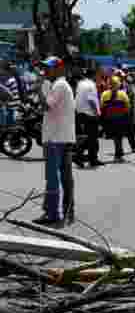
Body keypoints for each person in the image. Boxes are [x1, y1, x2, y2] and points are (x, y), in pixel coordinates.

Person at [35, 57, 76, 226]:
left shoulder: (58, 85)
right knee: (65, 176)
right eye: (44, 68)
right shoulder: (61, 85)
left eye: (49, 68)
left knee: (52, 177)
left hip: (55, 137)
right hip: (62, 136)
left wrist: (38, 88)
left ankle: (53, 213)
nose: (45, 71)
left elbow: (47, 106)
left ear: (59, 69)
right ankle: (66, 209)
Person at [74, 67, 102, 168]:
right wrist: (97, 113)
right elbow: (91, 100)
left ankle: (91, 158)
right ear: (93, 75)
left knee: (87, 138)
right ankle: (83, 157)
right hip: (90, 114)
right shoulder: (91, 85)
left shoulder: (80, 83)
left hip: (80, 113)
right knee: (92, 138)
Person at [100, 76, 132, 162]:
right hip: (120, 118)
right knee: (119, 137)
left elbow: (102, 107)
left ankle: (119, 153)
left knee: (116, 137)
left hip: (109, 119)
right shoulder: (122, 94)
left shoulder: (104, 94)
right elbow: (128, 107)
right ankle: (119, 154)